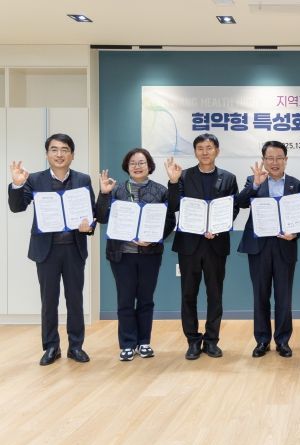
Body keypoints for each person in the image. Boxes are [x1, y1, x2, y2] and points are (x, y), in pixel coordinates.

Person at [8, 133, 95, 366]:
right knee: (49, 301)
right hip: (46, 251)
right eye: (54, 149)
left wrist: (89, 226)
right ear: (47, 154)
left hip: (74, 249)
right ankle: (51, 347)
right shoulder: (35, 179)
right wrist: (17, 184)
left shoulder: (83, 179)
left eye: (64, 150)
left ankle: (76, 346)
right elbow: (17, 207)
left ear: (72, 155)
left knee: (75, 299)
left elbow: (91, 213)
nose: (59, 154)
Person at [164, 133, 239, 360]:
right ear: (195, 151)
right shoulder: (184, 176)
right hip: (189, 245)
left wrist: (219, 227)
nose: (205, 152)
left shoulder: (228, 178)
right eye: (200, 148)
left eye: (209, 148)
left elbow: (233, 208)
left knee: (215, 294)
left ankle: (212, 341)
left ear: (217, 150)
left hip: (216, 243)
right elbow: (173, 206)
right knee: (188, 294)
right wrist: (173, 182)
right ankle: (193, 341)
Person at [96, 148, 176, 361]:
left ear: (149, 166)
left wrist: (154, 237)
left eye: (142, 162)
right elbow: (101, 217)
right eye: (133, 163)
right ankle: (127, 344)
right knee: (125, 299)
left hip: (150, 254)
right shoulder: (116, 189)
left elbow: (170, 220)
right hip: (122, 255)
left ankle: (144, 342)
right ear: (127, 167)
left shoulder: (161, 191)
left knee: (146, 300)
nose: (137, 166)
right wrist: (104, 193)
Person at [237, 141, 300, 358]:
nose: (274, 162)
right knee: (260, 295)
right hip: (259, 247)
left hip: (285, 245)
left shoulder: (296, 185)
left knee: (284, 297)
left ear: (286, 160)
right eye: (270, 158)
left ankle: (283, 341)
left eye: (279, 158)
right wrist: (255, 186)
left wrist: (296, 233)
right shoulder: (254, 180)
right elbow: (240, 202)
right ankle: (262, 340)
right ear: (263, 160)